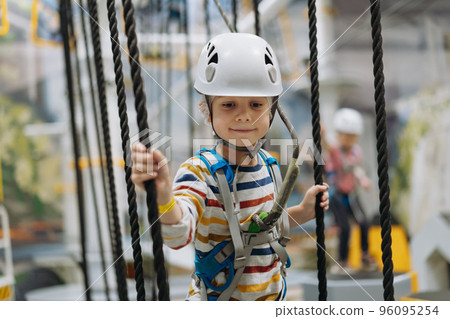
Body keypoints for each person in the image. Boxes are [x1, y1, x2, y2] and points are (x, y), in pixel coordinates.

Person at [131, 33, 329, 301]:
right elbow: (178, 236)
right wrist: (164, 196)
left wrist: (303, 212)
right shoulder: (199, 173)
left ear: (272, 110)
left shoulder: (270, 166)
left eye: (256, 104)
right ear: (206, 110)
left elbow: (265, 225)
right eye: (228, 105)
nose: (245, 115)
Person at [325, 108, 378, 273]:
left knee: (364, 223)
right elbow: (328, 147)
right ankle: (342, 260)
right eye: (345, 135)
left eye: (352, 136)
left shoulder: (356, 152)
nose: (349, 139)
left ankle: (364, 255)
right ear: (338, 134)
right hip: (337, 195)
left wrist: (364, 180)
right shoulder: (335, 151)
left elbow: (356, 169)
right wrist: (322, 134)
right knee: (345, 228)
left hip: (351, 194)